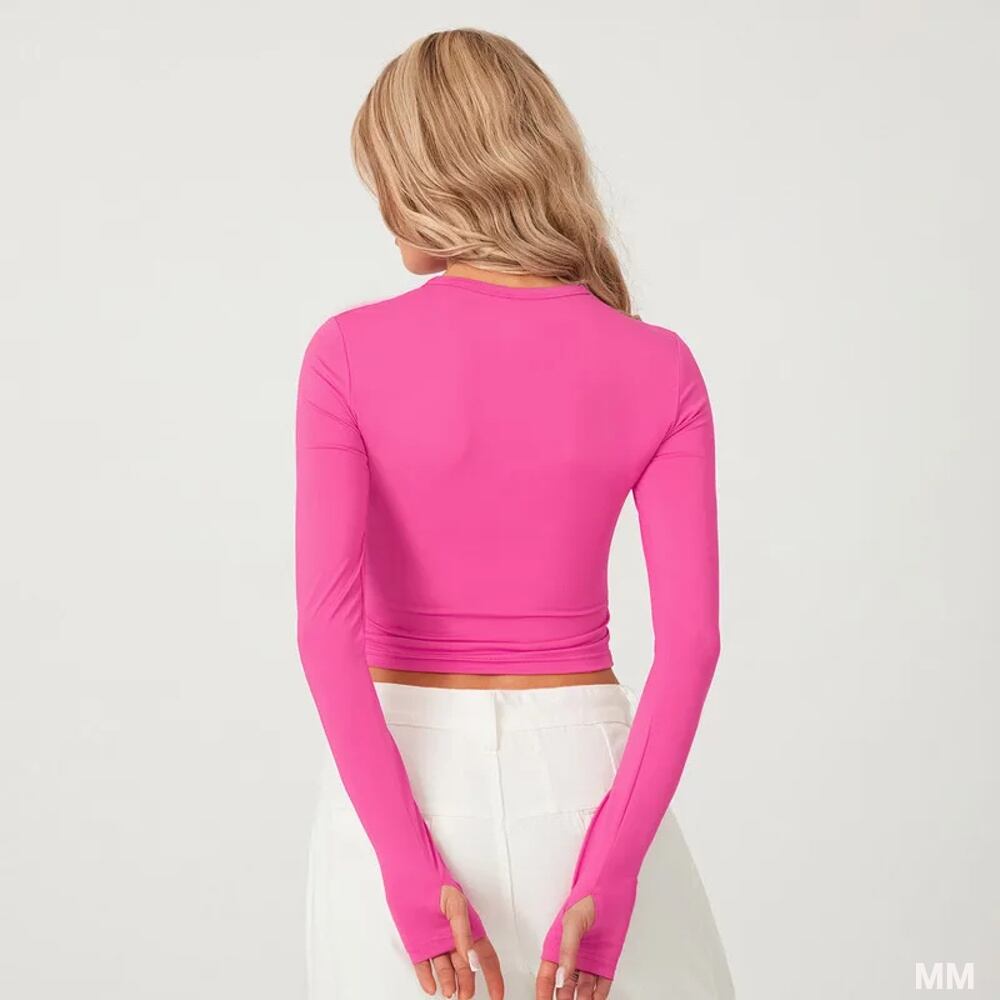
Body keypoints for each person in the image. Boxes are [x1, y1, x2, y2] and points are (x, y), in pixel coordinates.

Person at [295, 27, 734, 1000]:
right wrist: (610, 876)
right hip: (589, 787)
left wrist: (409, 873)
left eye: (386, 174)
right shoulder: (659, 364)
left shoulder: (346, 355)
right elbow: (693, 644)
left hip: (396, 787)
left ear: (432, 177)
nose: (381, 205)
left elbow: (325, 636)